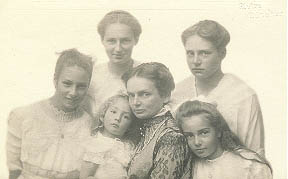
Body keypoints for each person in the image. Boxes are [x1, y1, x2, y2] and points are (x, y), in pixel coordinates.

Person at [171, 20, 265, 156]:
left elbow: (254, 154)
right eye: (190, 53)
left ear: (222, 53)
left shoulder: (243, 96)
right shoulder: (177, 92)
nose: (196, 61)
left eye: (204, 53)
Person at [6, 49, 93, 179]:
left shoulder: (89, 124)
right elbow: (14, 169)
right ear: (55, 80)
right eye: (67, 84)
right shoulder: (23, 116)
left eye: (81, 86)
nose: (73, 92)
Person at [122, 62, 190, 179]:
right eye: (131, 95)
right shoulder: (139, 125)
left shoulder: (171, 138)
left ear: (165, 96)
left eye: (144, 94)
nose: (135, 102)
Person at [176, 99, 272, 179]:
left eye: (204, 133)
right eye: (189, 135)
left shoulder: (250, 165)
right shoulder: (189, 166)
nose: (197, 142)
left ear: (218, 131)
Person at [85, 10, 142, 117]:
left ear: (136, 40)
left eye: (125, 41)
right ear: (102, 40)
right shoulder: (91, 76)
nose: (118, 48)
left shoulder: (147, 74)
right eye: (111, 41)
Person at [80, 94, 137, 179]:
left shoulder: (128, 146)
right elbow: (85, 176)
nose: (118, 118)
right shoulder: (96, 145)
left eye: (126, 116)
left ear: (130, 127)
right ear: (103, 115)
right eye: (113, 112)